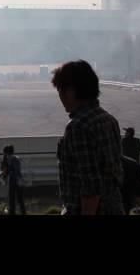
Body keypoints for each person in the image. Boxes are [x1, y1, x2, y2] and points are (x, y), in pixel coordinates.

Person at [52, 60, 124, 215]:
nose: (60, 97)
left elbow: (90, 187)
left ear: (71, 91)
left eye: (60, 91)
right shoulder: (109, 120)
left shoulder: (78, 127)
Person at [0, 145, 26, 215]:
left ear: (6, 152)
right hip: (19, 180)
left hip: (12, 181)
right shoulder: (17, 158)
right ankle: (23, 212)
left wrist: (1, 173)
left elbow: (6, 170)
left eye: (4, 152)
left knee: (12, 199)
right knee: (20, 199)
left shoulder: (8, 158)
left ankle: (12, 212)